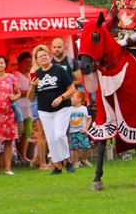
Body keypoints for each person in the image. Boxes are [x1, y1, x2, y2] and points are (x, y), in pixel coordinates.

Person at [28, 45, 76, 175]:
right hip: (44, 110)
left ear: (49, 55)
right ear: (36, 60)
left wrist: (61, 98)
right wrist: (32, 87)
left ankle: (68, 162)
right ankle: (57, 166)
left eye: (45, 55)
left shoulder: (59, 70)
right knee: (51, 138)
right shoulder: (35, 75)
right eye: (40, 56)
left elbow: (72, 89)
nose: (43, 58)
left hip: (62, 107)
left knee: (60, 134)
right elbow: (31, 97)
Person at [12, 52, 34, 163]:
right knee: (17, 132)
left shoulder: (31, 75)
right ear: (19, 63)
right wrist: (32, 91)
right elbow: (18, 91)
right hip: (18, 108)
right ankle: (16, 156)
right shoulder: (16, 74)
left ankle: (24, 156)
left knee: (27, 131)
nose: (29, 64)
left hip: (28, 108)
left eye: (30, 62)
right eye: (26, 62)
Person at [67, 91, 92, 167]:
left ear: (79, 99)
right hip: (73, 132)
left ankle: (84, 160)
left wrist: (86, 128)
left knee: (86, 146)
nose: (71, 99)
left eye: (73, 97)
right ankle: (76, 162)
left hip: (82, 132)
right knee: (75, 147)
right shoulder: (69, 109)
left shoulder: (84, 109)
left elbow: (89, 119)